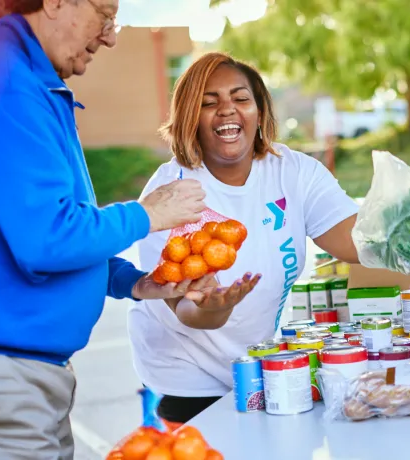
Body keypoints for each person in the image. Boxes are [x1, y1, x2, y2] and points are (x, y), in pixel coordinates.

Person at [0, 1, 208, 458]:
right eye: (105, 16)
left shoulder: (29, 77)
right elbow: (47, 238)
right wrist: (147, 213)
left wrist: (134, 283)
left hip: (29, 372)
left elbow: (45, 226)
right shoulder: (6, 81)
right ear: (56, 2)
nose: (109, 37)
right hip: (6, 372)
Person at [128, 51, 360, 424]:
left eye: (240, 98)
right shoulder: (173, 193)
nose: (227, 110)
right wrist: (214, 306)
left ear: (259, 112)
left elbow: (353, 241)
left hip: (258, 361)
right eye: (209, 103)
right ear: (190, 117)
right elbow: (186, 310)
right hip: (189, 379)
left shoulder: (293, 170)